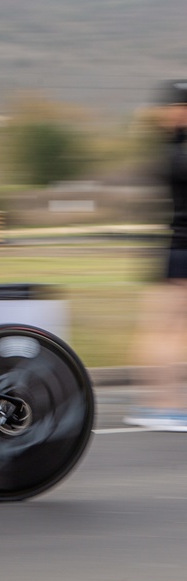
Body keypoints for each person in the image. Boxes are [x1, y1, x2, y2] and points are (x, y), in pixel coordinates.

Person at [125, 81, 187, 430]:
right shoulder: (178, 154)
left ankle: (154, 404)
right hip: (180, 249)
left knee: (160, 329)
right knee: (172, 332)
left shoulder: (171, 148)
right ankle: (167, 406)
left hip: (171, 247)